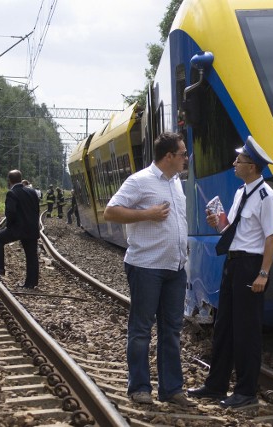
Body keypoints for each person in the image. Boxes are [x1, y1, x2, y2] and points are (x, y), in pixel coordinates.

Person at [187, 136, 273, 408]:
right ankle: (215, 385)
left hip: (251, 266)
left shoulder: (267, 197)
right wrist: (219, 223)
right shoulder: (242, 192)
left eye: (239, 160)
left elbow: (271, 238)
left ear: (252, 166)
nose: (234, 163)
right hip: (234, 263)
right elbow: (235, 231)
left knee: (247, 331)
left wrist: (263, 274)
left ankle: (246, 392)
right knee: (224, 326)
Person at [103, 132, 194, 408]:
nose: (185, 158)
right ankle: (140, 387)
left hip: (175, 268)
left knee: (171, 330)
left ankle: (171, 389)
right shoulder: (139, 181)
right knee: (142, 329)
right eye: (182, 154)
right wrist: (147, 214)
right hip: (146, 266)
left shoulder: (177, 183)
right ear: (169, 157)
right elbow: (111, 211)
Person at [0, 170, 40, 289]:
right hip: (32, 228)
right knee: (32, 256)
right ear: (21, 179)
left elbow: (10, 212)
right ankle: (31, 283)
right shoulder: (32, 192)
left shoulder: (12, 193)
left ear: (9, 180)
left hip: (18, 229)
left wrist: (10, 227)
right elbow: (37, 210)